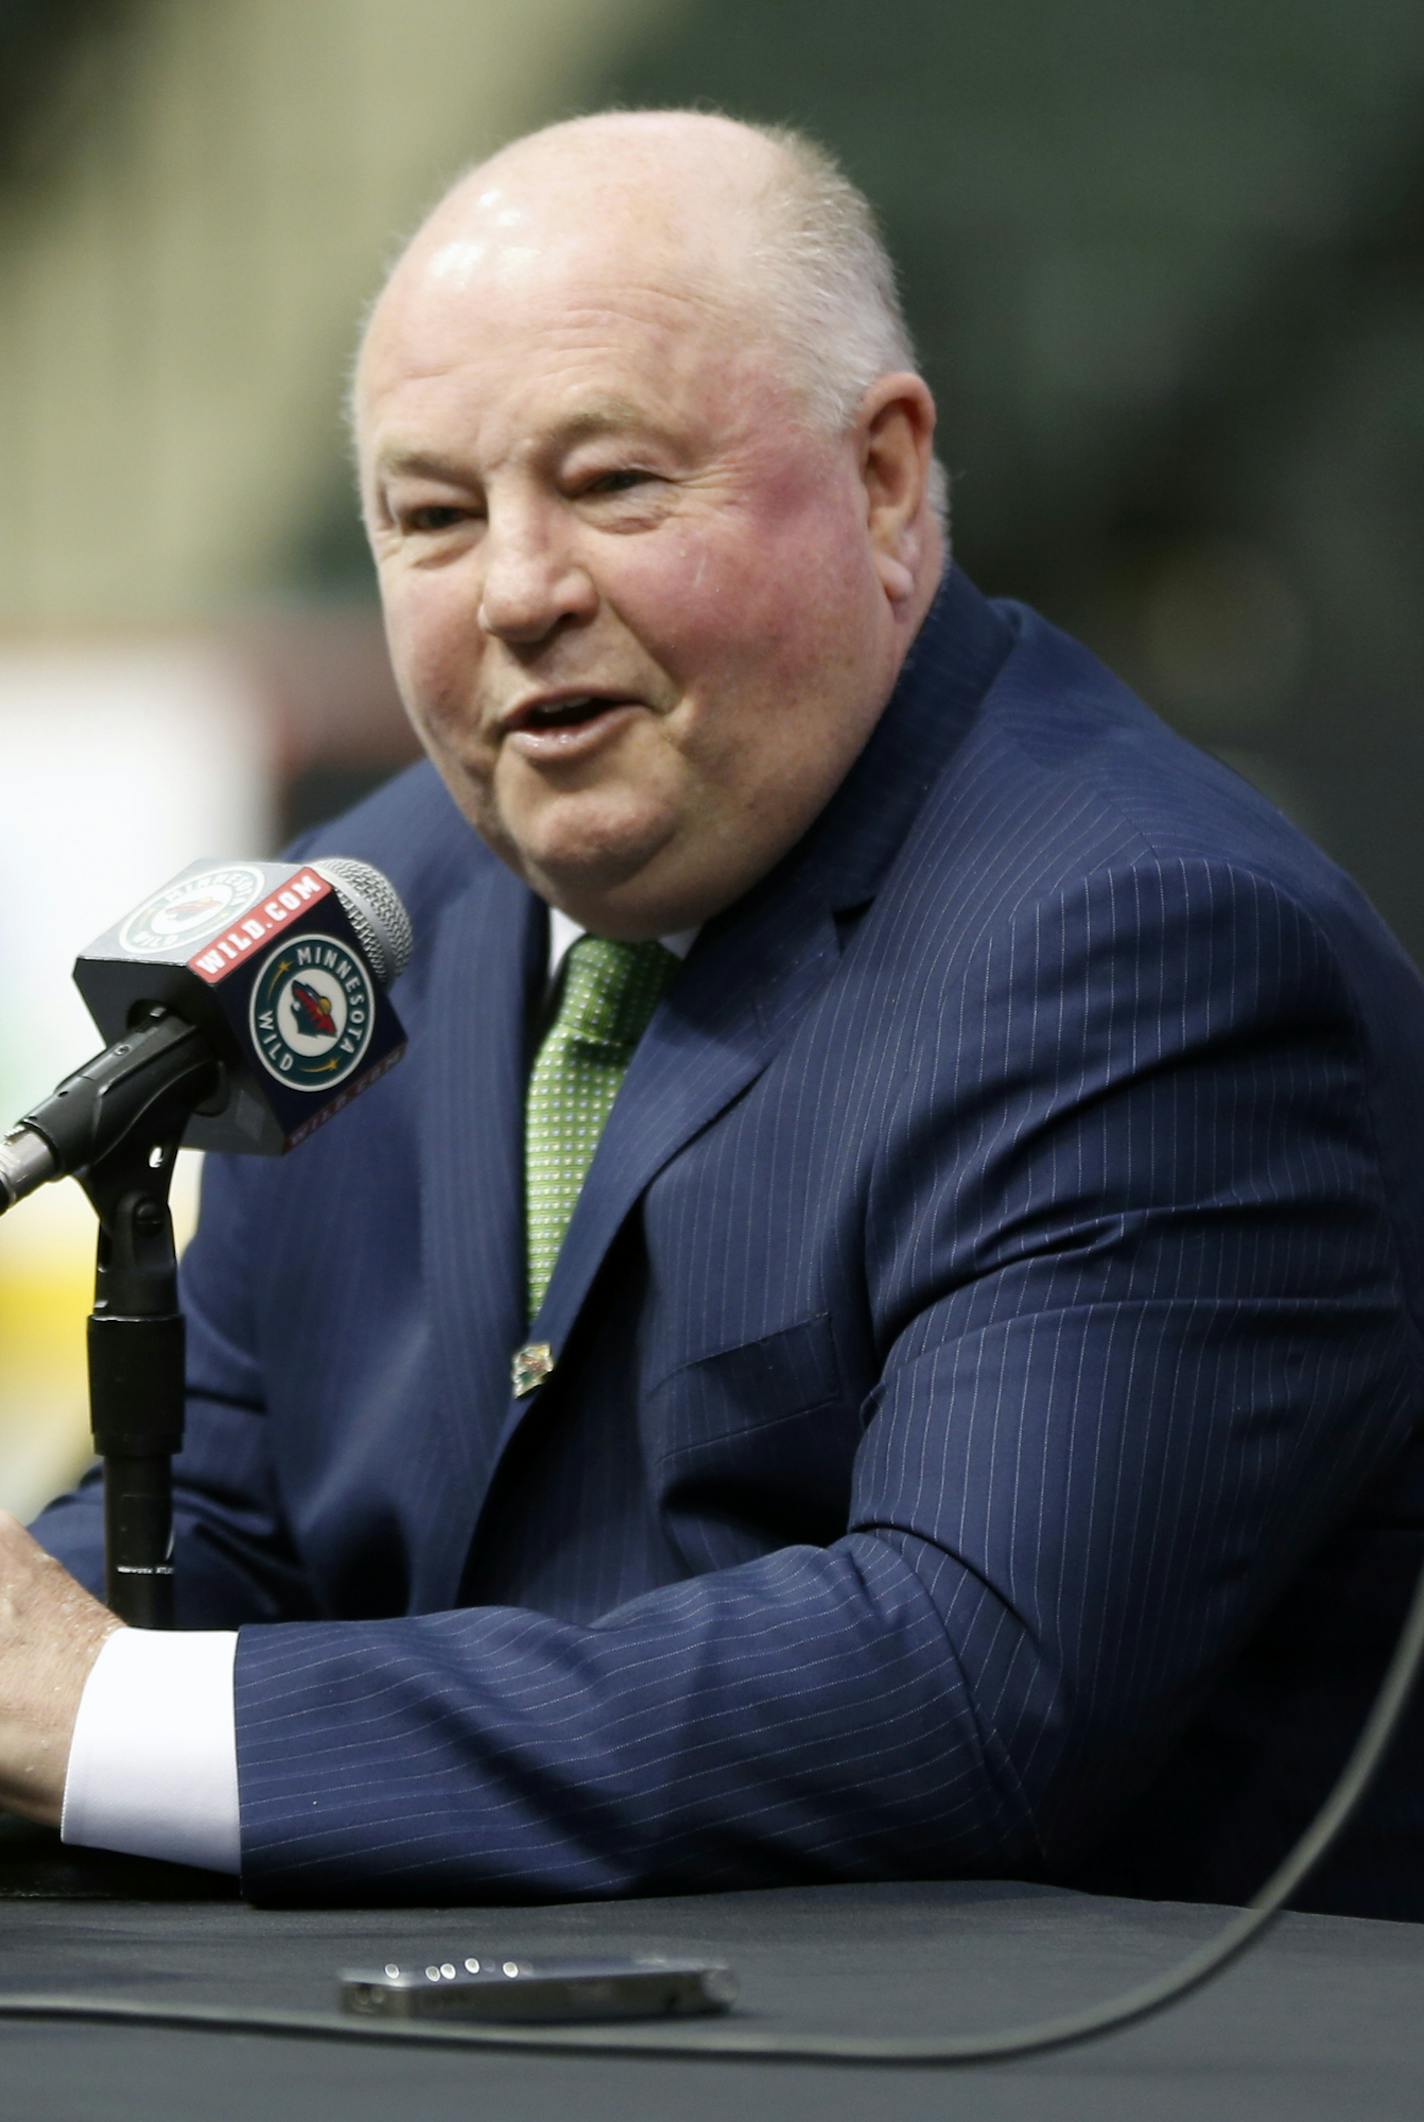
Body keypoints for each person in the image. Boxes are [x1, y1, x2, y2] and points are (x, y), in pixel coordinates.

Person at [8, 108, 1424, 1915]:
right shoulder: (371, 918)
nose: (518, 589)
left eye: (610, 484)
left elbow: (959, 1688)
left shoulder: (1159, 948)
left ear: (888, 481)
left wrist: (109, 1716)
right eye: (432, 516)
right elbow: (220, 1519)